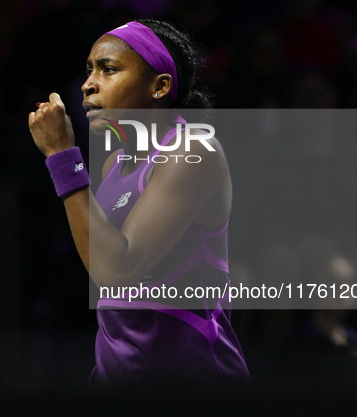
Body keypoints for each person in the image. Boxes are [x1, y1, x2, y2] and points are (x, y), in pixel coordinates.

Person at [28, 19, 250, 387]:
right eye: (89, 71)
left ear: (159, 86)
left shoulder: (192, 151)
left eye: (108, 69)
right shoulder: (114, 164)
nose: (88, 84)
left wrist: (63, 155)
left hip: (196, 383)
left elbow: (116, 272)